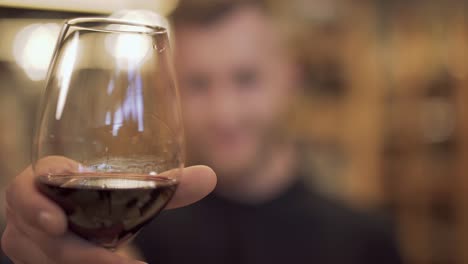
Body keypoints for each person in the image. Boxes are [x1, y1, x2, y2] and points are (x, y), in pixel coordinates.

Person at [2, 1, 402, 263]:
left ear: (290, 80)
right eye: (197, 84)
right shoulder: (135, 236)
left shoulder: (366, 240)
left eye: (245, 79)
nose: (223, 113)